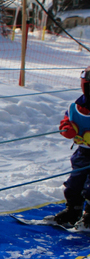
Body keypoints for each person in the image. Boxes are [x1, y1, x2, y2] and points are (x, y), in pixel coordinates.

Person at [54, 65, 90, 227]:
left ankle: (89, 214)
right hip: (83, 152)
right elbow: (66, 122)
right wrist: (68, 129)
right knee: (74, 184)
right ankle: (73, 210)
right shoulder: (76, 107)